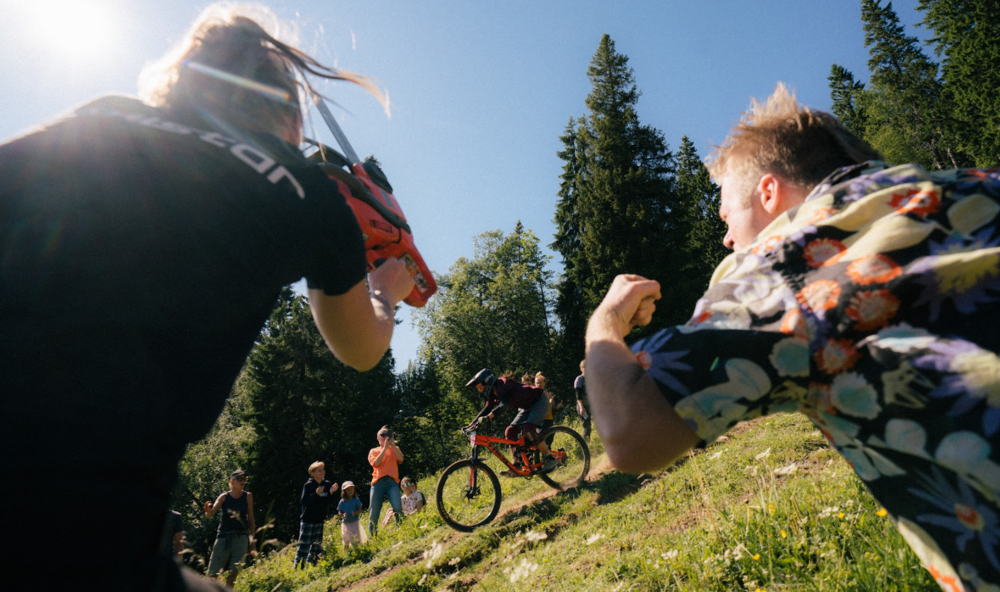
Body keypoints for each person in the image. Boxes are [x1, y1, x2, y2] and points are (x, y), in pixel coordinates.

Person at [0, 4, 415, 590]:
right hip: (71, 532)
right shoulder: (307, 195)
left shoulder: (102, 115)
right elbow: (363, 349)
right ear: (285, 106)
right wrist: (384, 290)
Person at [585, 82, 1000, 591]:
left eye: (727, 216)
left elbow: (631, 435)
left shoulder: (788, 272)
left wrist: (605, 320)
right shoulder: (981, 185)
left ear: (768, 193)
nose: (727, 239)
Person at [466, 369, 558, 477]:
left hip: (539, 401)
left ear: (487, 381)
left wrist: (489, 417)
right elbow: (487, 407)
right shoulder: (493, 393)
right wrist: (472, 424)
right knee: (510, 431)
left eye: (480, 387)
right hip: (527, 407)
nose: (479, 390)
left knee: (528, 430)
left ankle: (549, 457)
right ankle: (517, 465)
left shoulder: (502, 384)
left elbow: (503, 406)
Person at [205, 470, 256, 588]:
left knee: (233, 573)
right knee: (213, 573)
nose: (243, 481)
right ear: (232, 481)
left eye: (244, 479)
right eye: (240, 479)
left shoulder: (248, 496)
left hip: (241, 537)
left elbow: (251, 519)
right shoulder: (224, 497)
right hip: (223, 537)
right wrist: (207, 510)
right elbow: (210, 515)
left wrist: (251, 541)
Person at [294, 461, 339, 568]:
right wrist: (316, 494)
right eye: (319, 470)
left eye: (323, 469)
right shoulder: (308, 485)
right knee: (304, 546)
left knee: (317, 546)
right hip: (308, 520)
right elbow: (304, 502)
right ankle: (298, 568)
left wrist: (331, 492)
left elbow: (329, 501)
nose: (322, 472)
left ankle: (314, 567)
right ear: (312, 473)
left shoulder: (327, 484)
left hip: (319, 520)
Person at [367, 425, 405, 536]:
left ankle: (402, 530)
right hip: (378, 483)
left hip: (392, 482)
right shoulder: (374, 451)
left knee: (398, 507)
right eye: (382, 435)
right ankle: (373, 537)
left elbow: (401, 459)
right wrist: (384, 448)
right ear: (378, 438)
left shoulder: (394, 449)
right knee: (374, 512)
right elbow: (377, 463)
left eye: (387, 435)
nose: (385, 437)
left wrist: (392, 445)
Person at [535, 371, 562, 446]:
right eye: (537, 383)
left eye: (540, 382)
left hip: (549, 421)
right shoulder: (535, 396)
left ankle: (548, 457)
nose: (538, 384)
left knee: (549, 442)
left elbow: (553, 412)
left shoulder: (549, 395)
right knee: (540, 442)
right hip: (540, 422)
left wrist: (557, 407)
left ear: (544, 383)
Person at [337, 481, 366, 548]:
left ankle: (357, 551)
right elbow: (339, 512)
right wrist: (343, 514)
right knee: (346, 538)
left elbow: (360, 509)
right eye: (348, 489)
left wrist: (356, 512)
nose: (350, 491)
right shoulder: (342, 501)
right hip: (345, 523)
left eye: (352, 489)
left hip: (354, 522)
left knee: (355, 538)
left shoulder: (356, 500)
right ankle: (347, 554)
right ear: (344, 491)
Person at [574, 360, 591, 440]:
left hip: (590, 405)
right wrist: (581, 407)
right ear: (581, 368)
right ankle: (585, 447)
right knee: (587, 427)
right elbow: (578, 395)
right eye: (584, 367)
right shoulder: (579, 379)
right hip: (583, 406)